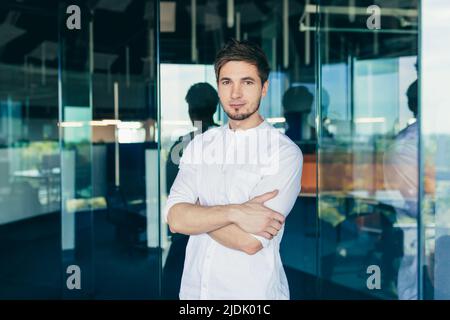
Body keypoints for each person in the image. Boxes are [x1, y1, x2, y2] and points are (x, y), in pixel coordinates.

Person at [164, 39, 303, 300]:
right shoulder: (199, 145)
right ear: (219, 88)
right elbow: (175, 219)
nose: (235, 94)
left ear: (264, 88)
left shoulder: (284, 153)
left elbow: (249, 241)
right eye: (227, 82)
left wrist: (196, 213)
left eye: (247, 82)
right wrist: (235, 212)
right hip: (195, 295)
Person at [162, 82, 219, 299]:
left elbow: (172, 190)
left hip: (187, 230)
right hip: (224, 231)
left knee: (174, 286)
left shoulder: (182, 144)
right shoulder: (232, 140)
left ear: (190, 111)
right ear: (215, 108)